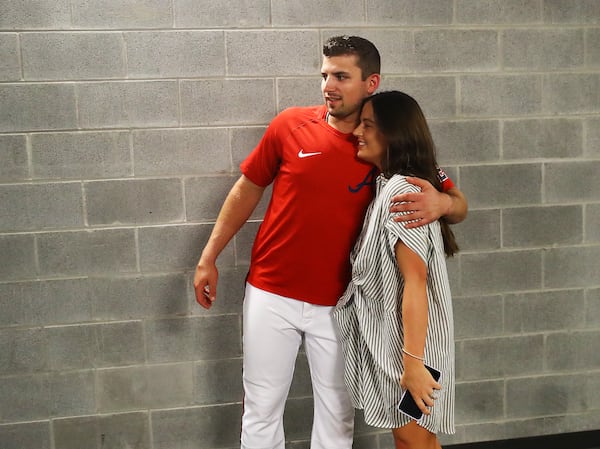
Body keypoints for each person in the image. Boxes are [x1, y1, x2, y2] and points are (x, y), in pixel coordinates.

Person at [193, 36, 467, 449]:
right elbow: (247, 188)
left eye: (341, 76)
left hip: (341, 306)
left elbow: (458, 203)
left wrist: (443, 201)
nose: (328, 86)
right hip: (271, 292)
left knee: (337, 414)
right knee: (261, 406)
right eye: (324, 75)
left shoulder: (383, 144)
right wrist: (208, 256)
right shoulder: (289, 125)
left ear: (370, 82)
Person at [333, 90, 457, 449]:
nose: (358, 131)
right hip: (398, 345)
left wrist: (413, 365)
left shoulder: (403, 191)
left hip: (412, 350)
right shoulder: (388, 184)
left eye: (368, 125)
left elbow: (416, 283)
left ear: (394, 134)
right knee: (416, 442)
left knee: (412, 441)